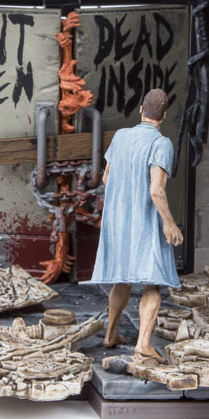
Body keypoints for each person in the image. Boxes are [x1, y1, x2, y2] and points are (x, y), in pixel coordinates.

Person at [84, 88, 183, 360]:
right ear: (164, 115)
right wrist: (169, 223)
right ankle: (143, 343)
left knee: (123, 279)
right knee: (153, 284)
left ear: (141, 110)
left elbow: (107, 178)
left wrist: (123, 201)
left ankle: (110, 333)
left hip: (118, 221)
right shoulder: (161, 144)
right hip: (146, 222)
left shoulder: (120, 136)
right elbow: (156, 190)